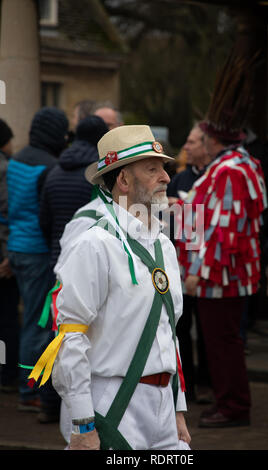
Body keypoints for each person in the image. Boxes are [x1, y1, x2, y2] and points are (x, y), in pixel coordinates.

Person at [28, 125, 191, 450]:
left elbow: (167, 333)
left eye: (164, 168)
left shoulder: (164, 246)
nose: (166, 178)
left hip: (163, 410)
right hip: (112, 407)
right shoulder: (93, 243)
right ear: (124, 180)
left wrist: (178, 409)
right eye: (152, 169)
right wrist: (83, 423)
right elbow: (70, 339)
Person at [176, 52, 267, 428]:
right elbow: (211, 215)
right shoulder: (234, 166)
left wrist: (199, 272)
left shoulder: (230, 170)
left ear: (213, 140)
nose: (198, 143)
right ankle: (230, 403)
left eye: (201, 138)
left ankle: (233, 407)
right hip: (226, 274)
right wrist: (178, 204)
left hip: (222, 277)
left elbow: (223, 229)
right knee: (221, 342)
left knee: (222, 343)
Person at [6, 107, 69, 418]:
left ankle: (25, 386)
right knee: (37, 323)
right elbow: (47, 216)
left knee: (27, 320)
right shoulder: (50, 166)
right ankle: (29, 389)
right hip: (37, 252)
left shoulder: (16, 159)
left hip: (17, 248)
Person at [167, 123, 212, 403]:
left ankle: (209, 384)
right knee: (181, 327)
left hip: (207, 265)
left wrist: (184, 209)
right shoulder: (180, 178)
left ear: (206, 146)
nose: (185, 147)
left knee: (208, 328)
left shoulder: (217, 178)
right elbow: (167, 224)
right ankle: (188, 386)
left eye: (192, 142)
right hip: (180, 265)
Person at [39, 115, 108, 272]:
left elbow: (44, 221)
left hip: (59, 257)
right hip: (90, 261)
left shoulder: (54, 172)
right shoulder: (100, 177)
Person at [0, 119, 20, 393]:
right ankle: (7, 375)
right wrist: (8, 257)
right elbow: (6, 215)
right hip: (2, 253)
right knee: (7, 314)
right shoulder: (5, 169)